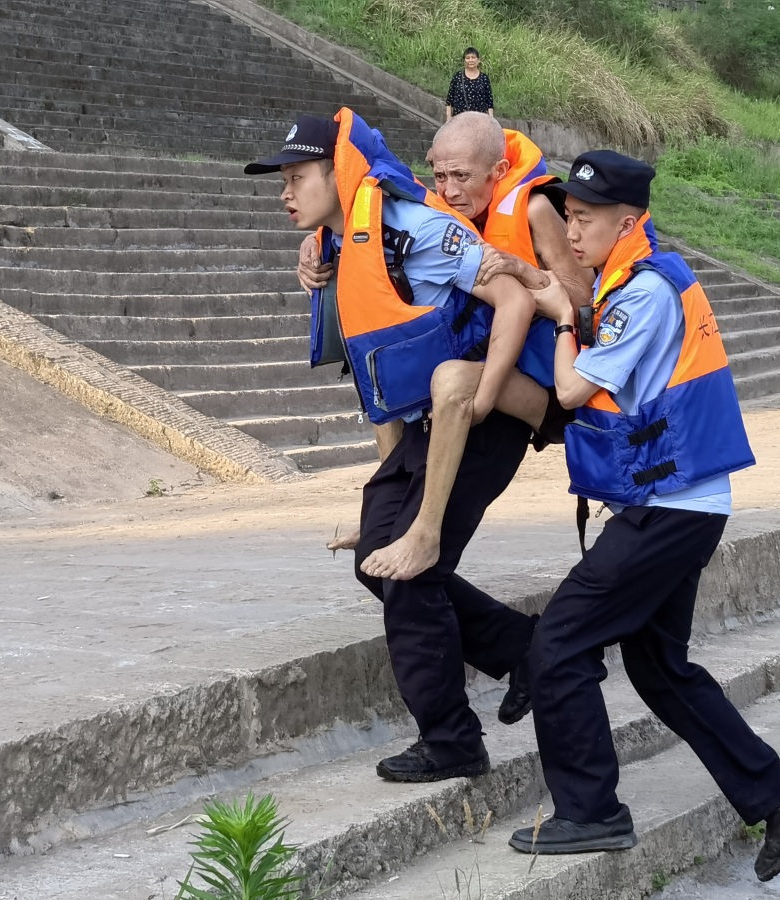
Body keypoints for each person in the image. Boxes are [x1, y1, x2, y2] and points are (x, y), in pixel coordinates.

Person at [506, 150, 780, 884]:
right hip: (681, 503)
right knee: (660, 667)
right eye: (568, 216)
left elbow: (567, 392)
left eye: (584, 219)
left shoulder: (645, 293)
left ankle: (591, 812)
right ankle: (779, 792)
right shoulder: (645, 279)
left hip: (670, 509)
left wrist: (562, 318)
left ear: (629, 220)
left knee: (557, 644)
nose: (572, 229)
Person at [245, 109, 541, 781]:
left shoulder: (416, 230)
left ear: (339, 173)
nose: (286, 193)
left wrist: (485, 394)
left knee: (411, 578)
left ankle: (452, 741)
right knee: (378, 561)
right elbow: (377, 371)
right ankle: (528, 650)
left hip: (476, 422)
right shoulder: (343, 245)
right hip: (419, 429)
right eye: (282, 181)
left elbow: (509, 294)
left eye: (298, 178)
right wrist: (388, 489)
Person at [300, 112, 592, 582]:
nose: (450, 190)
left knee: (451, 379)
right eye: (441, 176)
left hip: (541, 379)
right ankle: (390, 512)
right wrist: (315, 249)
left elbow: (581, 303)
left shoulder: (533, 209)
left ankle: (421, 529)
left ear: (497, 172)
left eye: (463, 177)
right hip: (484, 363)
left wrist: (521, 269)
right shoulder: (437, 213)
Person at [445, 47, 494, 120]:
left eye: (473, 57)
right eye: (467, 58)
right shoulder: (457, 77)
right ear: (464, 61)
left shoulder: (484, 78)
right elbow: (449, 100)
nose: (470, 60)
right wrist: (448, 118)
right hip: (460, 120)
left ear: (478, 60)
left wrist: (491, 119)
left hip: (479, 121)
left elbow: (489, 102)